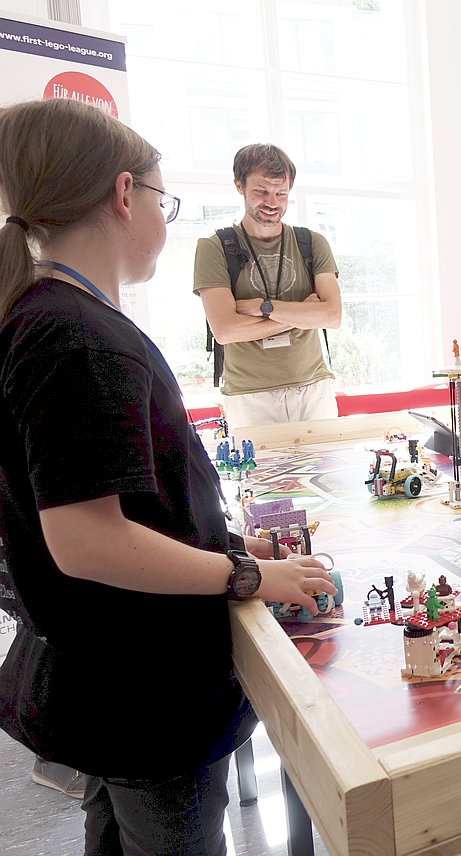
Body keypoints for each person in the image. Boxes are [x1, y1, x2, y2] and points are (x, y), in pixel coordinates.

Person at [0, 97, 336, 855]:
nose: (164, 217)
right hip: (141, 687)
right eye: (162, 198)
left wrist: (232, 539)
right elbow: (86, 541)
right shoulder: (80, 338)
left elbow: (133, 504)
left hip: (105, 676)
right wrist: (246, 575)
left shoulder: (44, 313)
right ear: (125, 195)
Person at [194, 143, 343, 429]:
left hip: (314, 388)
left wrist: (266, 308)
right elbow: (225, 330)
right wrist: (302, 315)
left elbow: (332, 316)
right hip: (250, 396)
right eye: (261, 191)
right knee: (259, 475)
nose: (272, 202)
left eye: (281, 193)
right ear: (239, 186)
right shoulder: (215, 247)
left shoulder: (312, 243)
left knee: (324, 474)